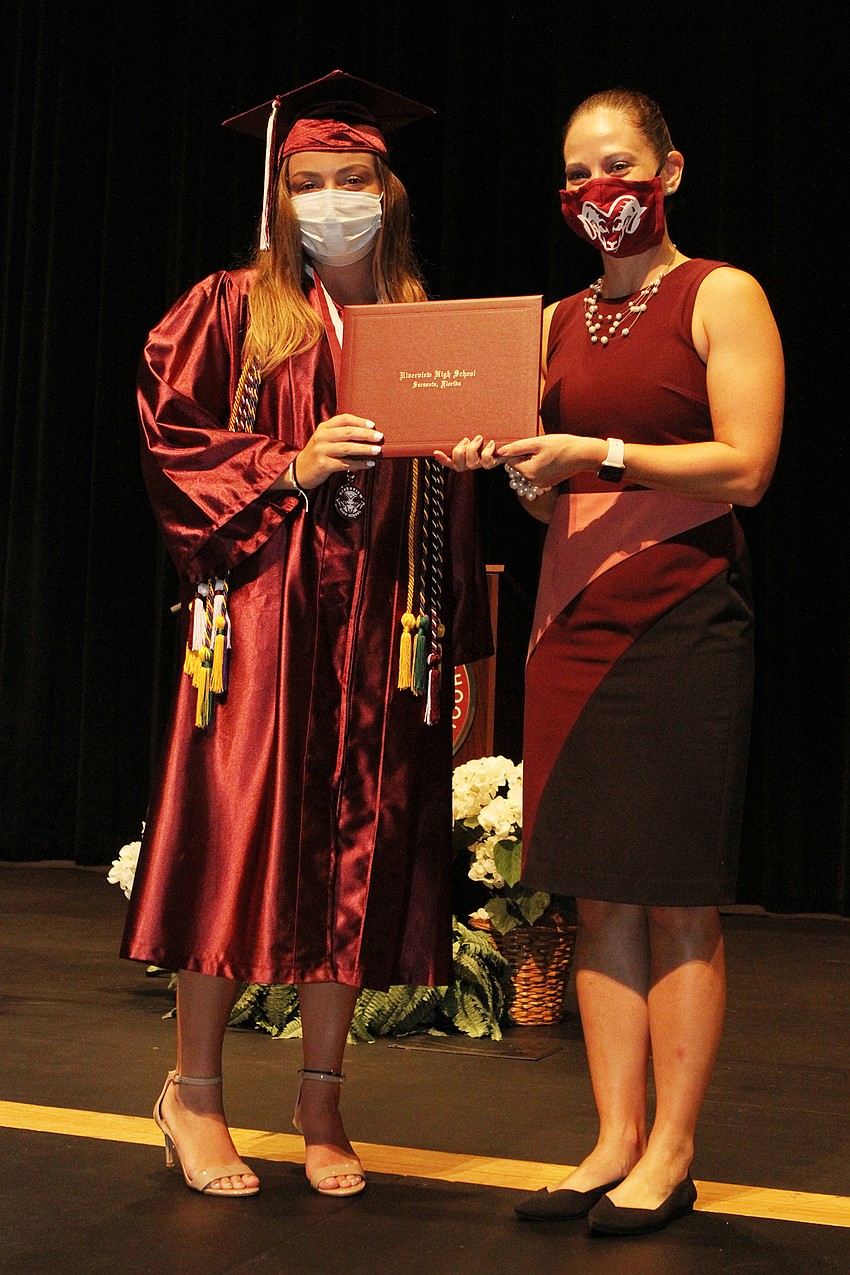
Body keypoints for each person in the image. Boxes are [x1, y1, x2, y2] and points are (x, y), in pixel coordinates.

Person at [122, 71, 491, 1200]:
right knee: (232, 853)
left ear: (391, 191)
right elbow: (167, 437)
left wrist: (470, 463)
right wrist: (286, 464)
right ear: (278, 201)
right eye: (310, 183)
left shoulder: (428, 326)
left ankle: (321, 1102)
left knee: (357, 857)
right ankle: (192, 1097)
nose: (333, 201)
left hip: (383, 624)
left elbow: (454, 499)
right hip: (264, 622)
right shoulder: (229, 310)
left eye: (354, 180)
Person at [444, 88, 783, 1236]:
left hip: (682, 621)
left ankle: (672, 1149)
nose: (600, 190)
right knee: (595, 898)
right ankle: (611, 1139)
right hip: (568, 626)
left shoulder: (719, 293)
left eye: (620, 165)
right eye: (579, 172)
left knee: (676, 897)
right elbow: (562, 499)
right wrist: (534, 483)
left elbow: (744, 468)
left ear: (669, 170)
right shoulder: (546, 321)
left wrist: (602, 448)